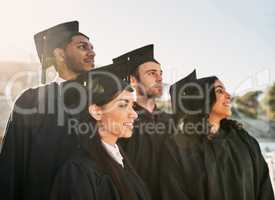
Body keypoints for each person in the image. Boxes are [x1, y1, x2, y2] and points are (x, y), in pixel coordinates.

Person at [0, 21, 95, 200]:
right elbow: (11, 165)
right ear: (59, 54)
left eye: (91, 47)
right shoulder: (31, 101)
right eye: (82, 47)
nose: (92, 52)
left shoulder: (101, 102)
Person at [160, 70, 274, 200]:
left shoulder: (244, 139)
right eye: (220, 91)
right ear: (203, 99)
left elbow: (264, 187)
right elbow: (174, 193)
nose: (228, 95)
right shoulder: (177, 147)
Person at [50, 67, 151, 200]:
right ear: (96, 112)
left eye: (132, 106)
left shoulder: (121, 159)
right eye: (123, 105)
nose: (134, 114)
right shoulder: (80, 171)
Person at [113, 44, 174, 199]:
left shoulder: (171, 121)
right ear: (133, 80)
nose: (160, 78)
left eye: (160, 73)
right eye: (152, 73)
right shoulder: (123, 119)